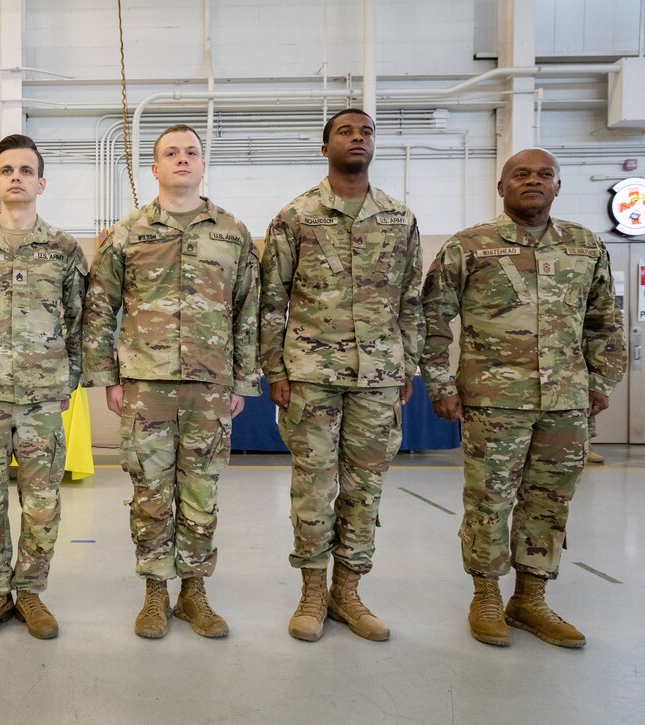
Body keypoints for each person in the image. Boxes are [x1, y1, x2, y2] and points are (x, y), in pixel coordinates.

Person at [421, 148, 626, 649]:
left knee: (550, 502)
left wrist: (600, 382)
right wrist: (441, 385)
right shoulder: (469, 246)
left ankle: (531, 599)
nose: (532, 181)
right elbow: (430, 320)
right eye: (521, 174)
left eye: (544, 175)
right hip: (494, 402)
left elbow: (605, 322)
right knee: (489, 501)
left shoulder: (584, 246)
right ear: (502, 186)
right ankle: (487, 595)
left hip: (565, 402)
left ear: (557, 186)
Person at [83, 124, 260, 639]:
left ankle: (195, 593)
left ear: (203, 165)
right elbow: (100, 306)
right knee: (150, 493)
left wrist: (243, 381)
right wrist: (108, 377)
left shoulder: (232, 233)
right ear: (154, 168)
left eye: (191, 152)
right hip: (145, 385)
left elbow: (248, 310)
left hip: (209, 387)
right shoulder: (128, 232)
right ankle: (156, 593)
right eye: (170, 153)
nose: (182, 160)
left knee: (202, 492)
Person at [259, 108, 423, 643]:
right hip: (312, 375)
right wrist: (275, 370)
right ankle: (311, 593)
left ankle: (348, 593)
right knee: (313, 487)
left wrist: (408, 365)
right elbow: (271, 301)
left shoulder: (400, 218)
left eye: (366, 131)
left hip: (378, 376)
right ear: (325, 145)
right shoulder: (297, 216)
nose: (358, 138)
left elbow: (411, 301)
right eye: (346, 132)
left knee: (366, 488)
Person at [0, 134, 87, 641]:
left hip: (43, 395)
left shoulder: (65, 249)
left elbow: (82, 322)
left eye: (26, 170)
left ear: (41, 182)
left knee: (42, 502)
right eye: (8, 169)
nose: (17, 177)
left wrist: (68, 379)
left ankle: (30, 592)